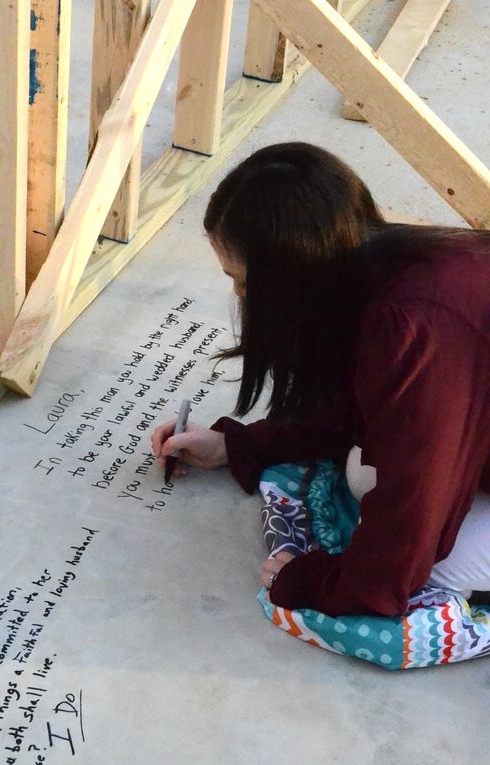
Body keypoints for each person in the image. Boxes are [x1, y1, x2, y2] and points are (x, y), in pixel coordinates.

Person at [151, 142, 490, 618]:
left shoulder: (413, 326)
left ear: (291, 275)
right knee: (359, 472)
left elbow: (413, 508)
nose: (237, 295)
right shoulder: (386, 264)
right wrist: (239, 445)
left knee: (433, 565)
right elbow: (360, 408)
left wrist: (317, 580)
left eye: (243, 281)